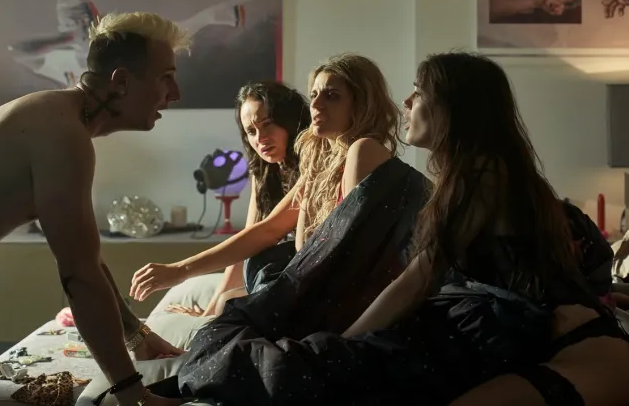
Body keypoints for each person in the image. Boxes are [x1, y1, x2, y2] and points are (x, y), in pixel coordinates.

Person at [138, 52, 628, 406]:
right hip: (461, 318)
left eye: (421, 91)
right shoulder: (465, 176)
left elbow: (410, 278)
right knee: (239, 333)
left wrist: (345, 343)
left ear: (453, 107)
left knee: (270, 357)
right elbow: (274, 232)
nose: (408, 100)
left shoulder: (477, 177)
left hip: (479, 329)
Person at [0, 11, 190, 406]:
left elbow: (84, 257)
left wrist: (137, 336)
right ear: (122, 82)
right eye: (166, 77)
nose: (175, 93)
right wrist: (134, 395)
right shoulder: (62, 135)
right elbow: (80, 277)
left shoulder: (60, 121)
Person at [129, 53, 402, 307]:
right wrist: (193, 286)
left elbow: (345, 253)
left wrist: (184, 273)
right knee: (223, 305)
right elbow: (261, 233)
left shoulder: (359, 151)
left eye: (331, 96)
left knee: (226, 310)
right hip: (307, 277)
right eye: (314, 95)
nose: (316, 105)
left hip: (328, 289)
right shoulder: (307, 161)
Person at [164, 80, 311, 318]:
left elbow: (267, 232)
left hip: (307, 273)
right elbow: (246, 243)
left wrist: (181, 270)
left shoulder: (314, 164)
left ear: (290, 121)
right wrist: (208, 313)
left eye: (267, 124)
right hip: (275, 271)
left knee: (227, 302)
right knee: (220, 301)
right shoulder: (264, 173)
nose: (260, 138)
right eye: (251, 131)